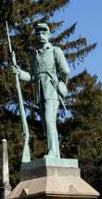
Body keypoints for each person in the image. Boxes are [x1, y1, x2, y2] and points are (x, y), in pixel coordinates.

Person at [11, 22, 69, 158]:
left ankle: (53, 152)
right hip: (40, 92)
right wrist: (19, 73)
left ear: (48, 34)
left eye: (43, 33)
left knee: (49, 120)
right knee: (46, 124)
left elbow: (65, 71)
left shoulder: (55, 50)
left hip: (52, 90)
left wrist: (61, 84)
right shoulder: (35, 55)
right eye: (38, 34)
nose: (41, 36)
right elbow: (32, 77)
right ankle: (54, 152)